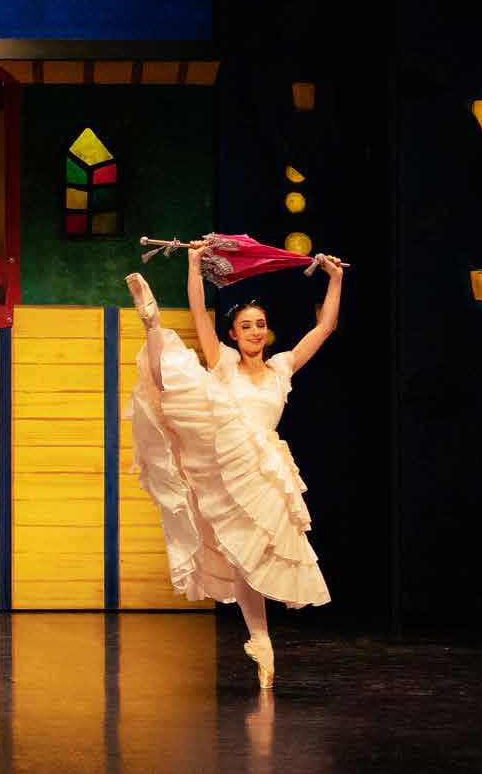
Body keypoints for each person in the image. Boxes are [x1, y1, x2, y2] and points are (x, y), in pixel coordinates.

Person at [124, 243, 344, 688]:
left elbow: (324, 327)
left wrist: (335, 279)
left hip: (263, 470)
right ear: (233, 334)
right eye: (246, 326)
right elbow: (199, 312)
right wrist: (193, 265)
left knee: (251, 556)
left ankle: (260, 639)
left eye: (260, 325)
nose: (255, 332)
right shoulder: (223, 361)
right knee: (181, 380)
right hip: (225, 456)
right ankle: (153, 326)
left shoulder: (281, 368)